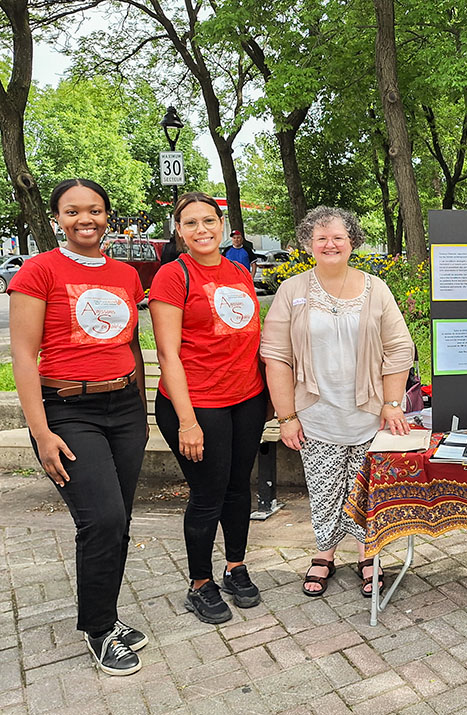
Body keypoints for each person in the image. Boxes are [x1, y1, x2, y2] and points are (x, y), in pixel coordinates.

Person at [9, 179, 148, 675]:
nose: (84, 219)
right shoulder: (37, 270)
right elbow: (23, 357)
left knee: (119, 521)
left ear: (109, 215)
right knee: (103, 520)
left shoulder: (126, 275)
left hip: (125, 408)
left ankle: (106, 617)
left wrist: (139, 403)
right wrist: (42, 432)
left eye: (94, 210)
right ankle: (98, 630)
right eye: (72, 212)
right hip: (67, 410)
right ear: (57, 219)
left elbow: (129, 341)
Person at [261, 206, 413, 598]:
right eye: (321, 238)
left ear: (352, 242)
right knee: (325, 488)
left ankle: (367, 553)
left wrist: (392, 402)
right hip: (315, 416)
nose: (330, 244)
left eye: (338, 237)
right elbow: (276, 355)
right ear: (308, 244)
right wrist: (287, 416)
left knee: (365, 490)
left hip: (368, 416)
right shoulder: (292, 291)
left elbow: (399, 349)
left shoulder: (375, 289)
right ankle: (324, 554)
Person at [149, 192, 268, 624]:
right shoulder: (172, 275)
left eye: (209, 221)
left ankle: (235, 566)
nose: (202, 230)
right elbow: (168, 355)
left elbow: (249, 337)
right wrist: (187, 421)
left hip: (246, 399)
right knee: (208, 495)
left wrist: (267, 397)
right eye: (191, 223)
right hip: (198, 404)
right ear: (179, 232)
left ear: (222, 225)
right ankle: (200, 583)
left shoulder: (238, 270)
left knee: (239, 488)